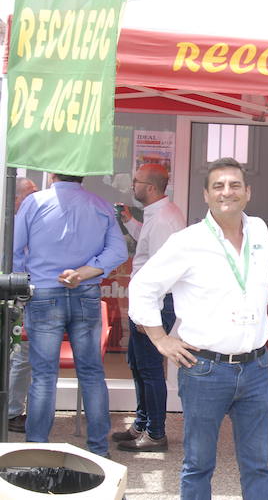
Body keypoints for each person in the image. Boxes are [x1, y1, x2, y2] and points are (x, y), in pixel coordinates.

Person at [129, 157, 268, 499]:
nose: (226, 192)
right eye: (218, 186)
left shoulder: (257, 228)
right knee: (198, 464)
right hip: (204, 370)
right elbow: (143, 287)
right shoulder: (188, 241)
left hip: (256, 368)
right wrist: (159, 338)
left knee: (258, 464)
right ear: (206, 195)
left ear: (247, 192)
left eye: (234, 185)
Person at [13, 173, 128, 457]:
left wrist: (27, 277)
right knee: (91, 374)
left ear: (52, 174)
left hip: (43, 292)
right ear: (83, 174)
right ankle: (99, 449)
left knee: (43, 376)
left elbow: (13, 251)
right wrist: (87, 269)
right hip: (86, 293)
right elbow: (119, 250)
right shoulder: (101, 205)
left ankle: (37, 447)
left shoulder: (34, 202)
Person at [110, 164, 185, 451]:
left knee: (150, 370)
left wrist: (148, 314)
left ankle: (155, 434)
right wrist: (129, 221)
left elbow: (162, 271)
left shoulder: (165, 219)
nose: (132, 185)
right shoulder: (158, 215)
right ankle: (142, 424)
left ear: (151, 188)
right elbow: (147, 239)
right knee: (139, 366)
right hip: (148, 302)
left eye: (136, 181)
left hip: (154, 303)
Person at [7, 177, 38, 433]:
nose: (37, 199)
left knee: (19, 355)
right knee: (21, 355)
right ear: (17, 198)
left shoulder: (24, 221)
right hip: (17, 296)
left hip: (18, 295)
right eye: (32, 194)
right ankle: (11, 412)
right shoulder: (15, 223)